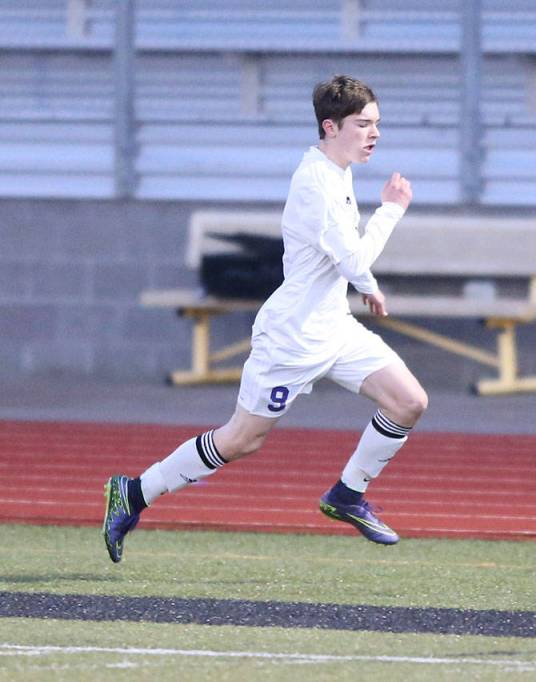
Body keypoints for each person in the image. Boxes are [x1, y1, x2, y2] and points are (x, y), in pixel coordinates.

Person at [102, 74, 428, 563]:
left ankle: (347, 496)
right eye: (363, 124)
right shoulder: (316, 182)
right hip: (291, 339)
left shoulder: (337, 169)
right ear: (330, 127)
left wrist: (364, 281)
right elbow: (352, 258)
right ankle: (133, 492)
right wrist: (389, 218)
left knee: (408, 401)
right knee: (241, 440)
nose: (374, 134)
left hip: (332, 327)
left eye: (377, 123)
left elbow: (345, 260)